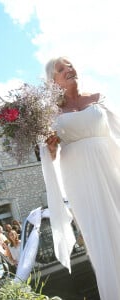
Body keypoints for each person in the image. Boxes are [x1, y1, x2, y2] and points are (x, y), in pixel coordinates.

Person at [42, 56, 120, 300]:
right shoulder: (49, 114)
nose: (69, 69)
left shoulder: (98, 99)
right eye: (60, 69)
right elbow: (51, 155)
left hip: (110, 168)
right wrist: (51, 147)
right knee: (99, 237)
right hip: (78, 178)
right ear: (52, 81)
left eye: (70, 65)